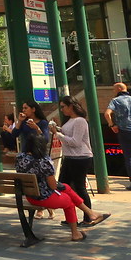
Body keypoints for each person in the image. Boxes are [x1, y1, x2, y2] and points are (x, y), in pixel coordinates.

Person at [15, 134, 110, 242]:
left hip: (30, 196)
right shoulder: (44, 161)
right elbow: (53, 186)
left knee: (67, 187)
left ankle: (90, 213)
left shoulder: (20, 158)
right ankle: (76, 234)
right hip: (44, 198)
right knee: (69, 202)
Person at [51, 96, 95, 225]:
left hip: (80, 157)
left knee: (79, 188)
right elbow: (68, 136)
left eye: (64, 106)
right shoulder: (70, 121)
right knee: (64, 187)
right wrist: (58, 130)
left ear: (71, 106)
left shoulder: (80, 121)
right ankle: (71, 217)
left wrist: (57, 134)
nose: (62, 109)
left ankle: (88, 217)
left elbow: (75, 141)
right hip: (69, 157)